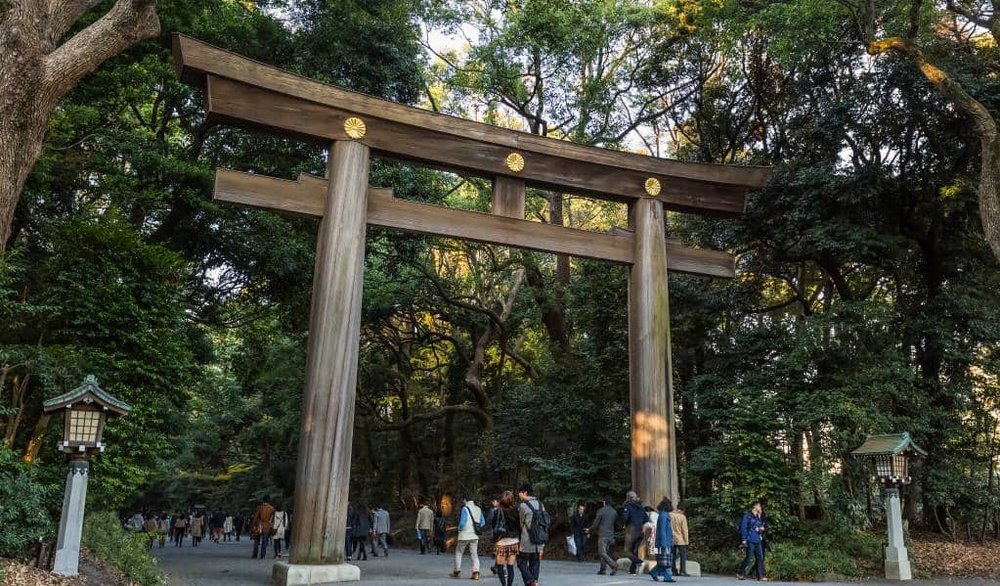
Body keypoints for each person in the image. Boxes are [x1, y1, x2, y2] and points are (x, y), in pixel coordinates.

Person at [516, 483, 545, 586]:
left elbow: (521, 523)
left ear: (525, 492)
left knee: (520, 561)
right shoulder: (541, 505)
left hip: (527, 540)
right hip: (539, 540)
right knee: (535, 562)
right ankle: (534, 582)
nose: (519, 495)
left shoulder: (523, 506)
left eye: (519, 493)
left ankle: (530, 580)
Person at [451, 494, 484, 580]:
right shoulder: (479, 509)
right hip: (475, 536)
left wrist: (459, 529)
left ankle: (457, 571)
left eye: (463, 500)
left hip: (464, 535)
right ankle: (476, 572)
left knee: (459, 552)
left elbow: (462, 523)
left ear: (465, 500)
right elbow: (483, 522)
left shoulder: (465, 508)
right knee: (474, 554)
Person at [491, 490, 520, 586]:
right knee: (510, 567)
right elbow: (519, 526)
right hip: (513, 541)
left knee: (500, 566)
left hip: (501, 541)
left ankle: (504, 584)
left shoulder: (497, 511)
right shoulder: (517, 510)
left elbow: (493, 525)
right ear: (512, 499)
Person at [587, 495, 619, 575]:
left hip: (603, 534)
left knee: (602, 552)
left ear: (604, 502)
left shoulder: (601, 511)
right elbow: (614, 524)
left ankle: (613, 565)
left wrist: (589, 529)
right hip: (611, 535)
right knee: (605, 552)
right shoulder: (614, 512)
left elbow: (595, 524)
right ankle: (602, 569)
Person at [737, 501, 768, 581]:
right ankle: (740, 572)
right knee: (749, 558)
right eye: (759, 506)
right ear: (754, 506)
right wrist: (744, 539)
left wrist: (761, 529)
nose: (760, 508)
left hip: (757, 540)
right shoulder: (747, 516)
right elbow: (743, 528)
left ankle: (760, 576)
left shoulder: (758, 517)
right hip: (750, 539)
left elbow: (761, 527)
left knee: (760, 558)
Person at [649, 498, 675, 583]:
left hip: (663, 541)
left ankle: (653, 572)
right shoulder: (664, 515)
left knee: (663, 561)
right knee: (666, 561)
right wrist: (664, 543)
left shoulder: (663, 514)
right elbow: (663, 530)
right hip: (664, 542)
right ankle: (667, 577)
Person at [620, 490, 647, 575]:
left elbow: (625, 517)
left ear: (628, 498)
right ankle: (632, 570)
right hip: (640, 532)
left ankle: (640, 562)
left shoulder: (628, 506)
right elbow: (646, 519)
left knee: (627, 551)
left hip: (632, 531)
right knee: (634, 551)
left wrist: (623, 523)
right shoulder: (641, 507)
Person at [670, 502, 690, 576]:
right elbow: (685, 530)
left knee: (672, 555)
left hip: (671, 538)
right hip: (680, 539)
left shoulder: (670, 515)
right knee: (683, 555)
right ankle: (682, 571)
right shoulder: (682, 517)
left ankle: (673, 571)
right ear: (683, 510)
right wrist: (686, 540)